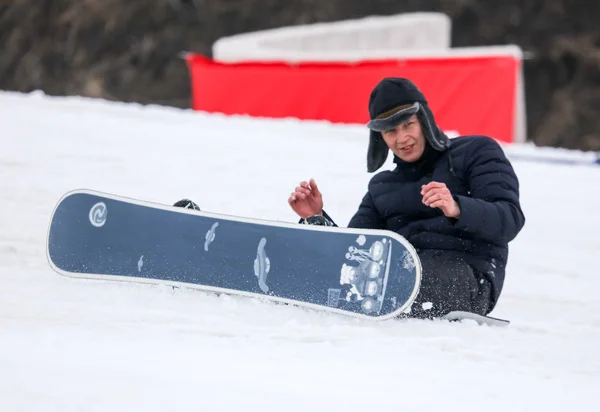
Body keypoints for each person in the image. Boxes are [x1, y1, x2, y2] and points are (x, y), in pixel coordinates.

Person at [288, 77, 525, 318]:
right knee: (354, 271)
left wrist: (457, 207)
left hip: (468, 279)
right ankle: (285, 276)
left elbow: (510, 219)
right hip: (396, 278)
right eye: (391, 130)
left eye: (408, 125)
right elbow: (355, 251)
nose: (401, 139)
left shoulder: (475, 152)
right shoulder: (382, 187)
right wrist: (316, 218)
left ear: (424, 120)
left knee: (406, 277)